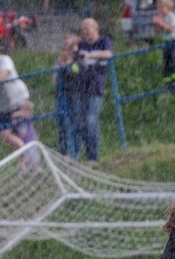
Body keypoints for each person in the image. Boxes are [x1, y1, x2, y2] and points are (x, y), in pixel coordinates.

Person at [74, 18, 113, 166]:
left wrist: (90, 56)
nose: (84, 31)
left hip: (96, 86)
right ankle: (84, 154)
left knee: (91, 120)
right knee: (82, 123)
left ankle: (93, 156)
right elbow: (75, 59)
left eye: (87, 28)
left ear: (95, 28)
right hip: (82, 86)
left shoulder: (104, 41)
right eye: (83, 29)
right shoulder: (81, 44)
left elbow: (108, 54)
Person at [54, 33, 81, 158]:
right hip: (61, 93)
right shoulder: (60, 58)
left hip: (75, 93)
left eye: (67, 39)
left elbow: (76, 72)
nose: (65, 41)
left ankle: (75, 152)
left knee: (75, 122)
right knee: (62, 124)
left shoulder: (78, 56)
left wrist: (66, 67)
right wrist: (62, 66)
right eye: (64, 40)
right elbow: (54, 77)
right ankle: (63, 153)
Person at [153, 0, 175, 90]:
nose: (160, 9)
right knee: (167, 61)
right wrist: (157, 25)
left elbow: (171, 29)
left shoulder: (171, 16)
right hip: (167, 41)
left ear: (168, 7)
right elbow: (157, 32)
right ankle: (167, 82)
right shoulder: (161, 17)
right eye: (159, 7)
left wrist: (161, 23)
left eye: (162, 7)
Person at [11, 100, 40, 171]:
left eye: (27, 110)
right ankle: (23, 167)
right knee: (24, 155)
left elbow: (26, 116)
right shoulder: (19, 119)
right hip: (23, 140)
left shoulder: (28, 117)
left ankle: (35, 167)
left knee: (33, 154)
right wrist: (14, 119)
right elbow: (13, 120)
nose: (24, 112)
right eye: (23, 109)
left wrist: (17, 114)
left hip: (31, 139)